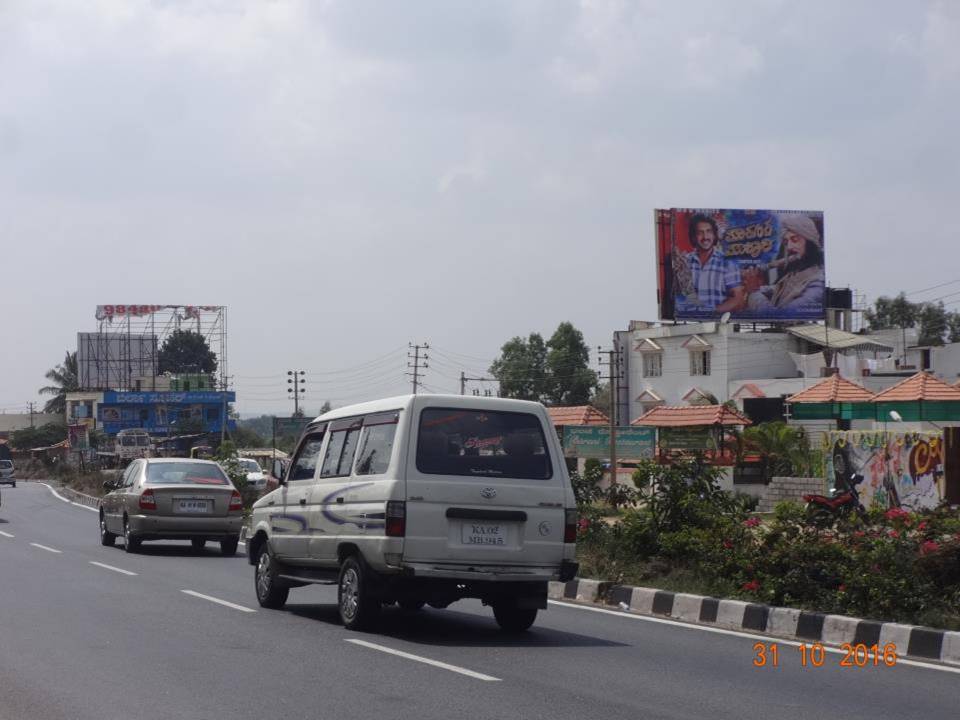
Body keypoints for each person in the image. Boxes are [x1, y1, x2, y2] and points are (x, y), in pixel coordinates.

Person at [743, 214, 825, 313]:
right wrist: (752, 287)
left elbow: (779, 315)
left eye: (795, 239)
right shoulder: (799, 270)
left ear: (810, 242)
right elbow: (782, 289)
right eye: (786, 242)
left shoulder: (817, 285)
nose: (789, 247)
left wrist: (754, 292)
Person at [673, 214, 744, 314]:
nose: (705, 237)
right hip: (689, 322)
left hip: (717, 323)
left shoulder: (727, 262)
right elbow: (680, 295)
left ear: (714, 235)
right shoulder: (685, 262)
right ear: (693, 237)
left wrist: (712, 312)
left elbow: (737, 299)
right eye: (700, 233)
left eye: (709, 231)